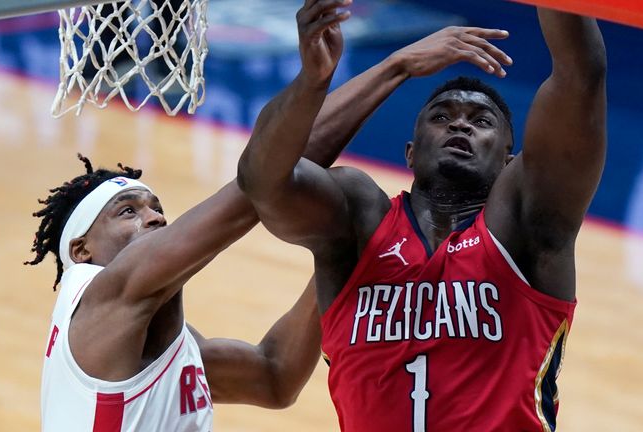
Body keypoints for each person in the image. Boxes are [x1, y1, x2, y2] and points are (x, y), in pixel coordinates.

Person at [26, 1, 513, 430]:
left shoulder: (155, 341)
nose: (154, 220)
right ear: (81, 250)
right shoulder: (108, 294)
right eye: (126, 213)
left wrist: (352, 252)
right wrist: (394, 67)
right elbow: (256, 190)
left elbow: (274, 374)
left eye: (157, 207)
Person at [238, 1, 606, 430]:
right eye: (442, 116)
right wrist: (315, 80)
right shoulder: (359, 220)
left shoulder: (526, 226)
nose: (460, 125)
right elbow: (262, 179)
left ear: (510, 161)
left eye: (481, 120)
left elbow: (581, 78)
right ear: (410, 153)